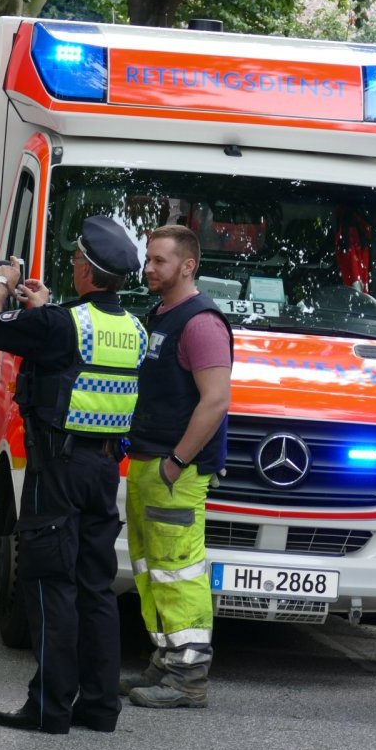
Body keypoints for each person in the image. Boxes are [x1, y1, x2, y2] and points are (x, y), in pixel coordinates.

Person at [0, 215, 147, 735]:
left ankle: (49, 707)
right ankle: (98, 706)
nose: (72, 266)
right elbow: (76, 353)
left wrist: (3, 280)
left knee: (50, 583)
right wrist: (44, 307)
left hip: (59, 467)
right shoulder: (133, 329)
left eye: (75, 260)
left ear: (88, 272)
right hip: (103, 470)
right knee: (96, 587)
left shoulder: (60, 324)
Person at [121, 224, 232, 709]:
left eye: (159, 261)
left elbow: (215, 401)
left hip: (174, 473)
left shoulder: (201, 323)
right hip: (149, 465)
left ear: (187, 266)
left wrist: (176, 463)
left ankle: (188, 678)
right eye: (149, 259)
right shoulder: (163, 314)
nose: (149, 268)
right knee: (153, 570)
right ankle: (166, 663)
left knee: (180, 570)